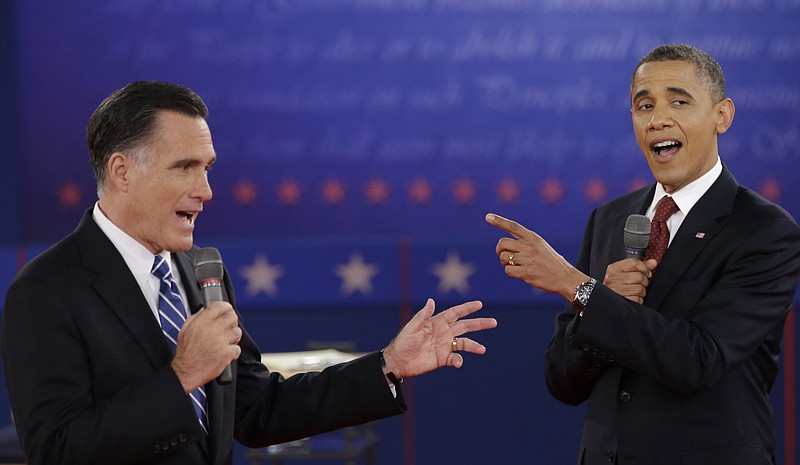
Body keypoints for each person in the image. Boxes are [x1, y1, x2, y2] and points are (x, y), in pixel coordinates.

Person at [1, 80, 497, 465]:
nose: (206, 189)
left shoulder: (200, 272)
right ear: (122, 171)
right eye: (185, 167)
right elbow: (57, 450)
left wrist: (386, 364)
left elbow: (258, 410)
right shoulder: (47, 290)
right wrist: (181, 377)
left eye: (208, 168)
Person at [486, 44, 800, 464]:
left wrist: (579, 289)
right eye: (643, 105)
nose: (658, 119)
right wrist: (597, 302)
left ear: (722, 116)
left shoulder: (765, 231)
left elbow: (698, 360)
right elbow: (563, 380)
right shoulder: (610, 219)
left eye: (679, 101)